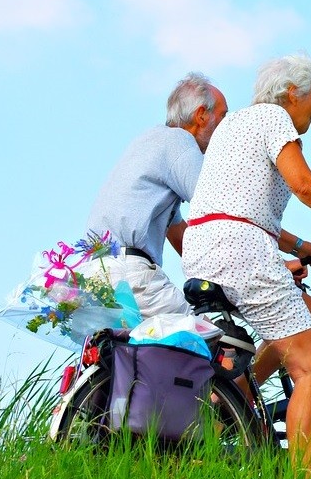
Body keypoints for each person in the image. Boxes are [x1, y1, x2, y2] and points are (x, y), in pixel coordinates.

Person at [181, 53, 311, 472]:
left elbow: (237, 205)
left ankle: (234, 403)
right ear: (292, 93)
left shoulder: (235, 125)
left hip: (206, 247)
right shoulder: (274, 117)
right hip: (239, 250)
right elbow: (303, 184)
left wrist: (299, 247)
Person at [80, 73, 227, 317]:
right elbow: (221, 208)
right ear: (201, 115)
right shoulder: (179, 142)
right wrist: (271, 263)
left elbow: (180, 235)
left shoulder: (150, 141)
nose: (226, 126)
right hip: (130, 274)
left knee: (135, 353)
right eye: (223, 116)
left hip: (95, 275)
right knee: (210, 341)